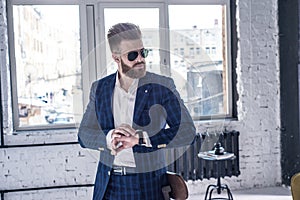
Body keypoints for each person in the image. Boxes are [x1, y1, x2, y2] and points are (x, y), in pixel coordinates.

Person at [78, 22, 196, 200]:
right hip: (109, 186)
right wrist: (109, 138)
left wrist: (141, 138)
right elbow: (83, 135)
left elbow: (187, 131)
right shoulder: (100, 88)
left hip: (149, 184)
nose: (140, 59)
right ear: (116, 58)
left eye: (143, 52)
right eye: (132, 55)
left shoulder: (162, 86)